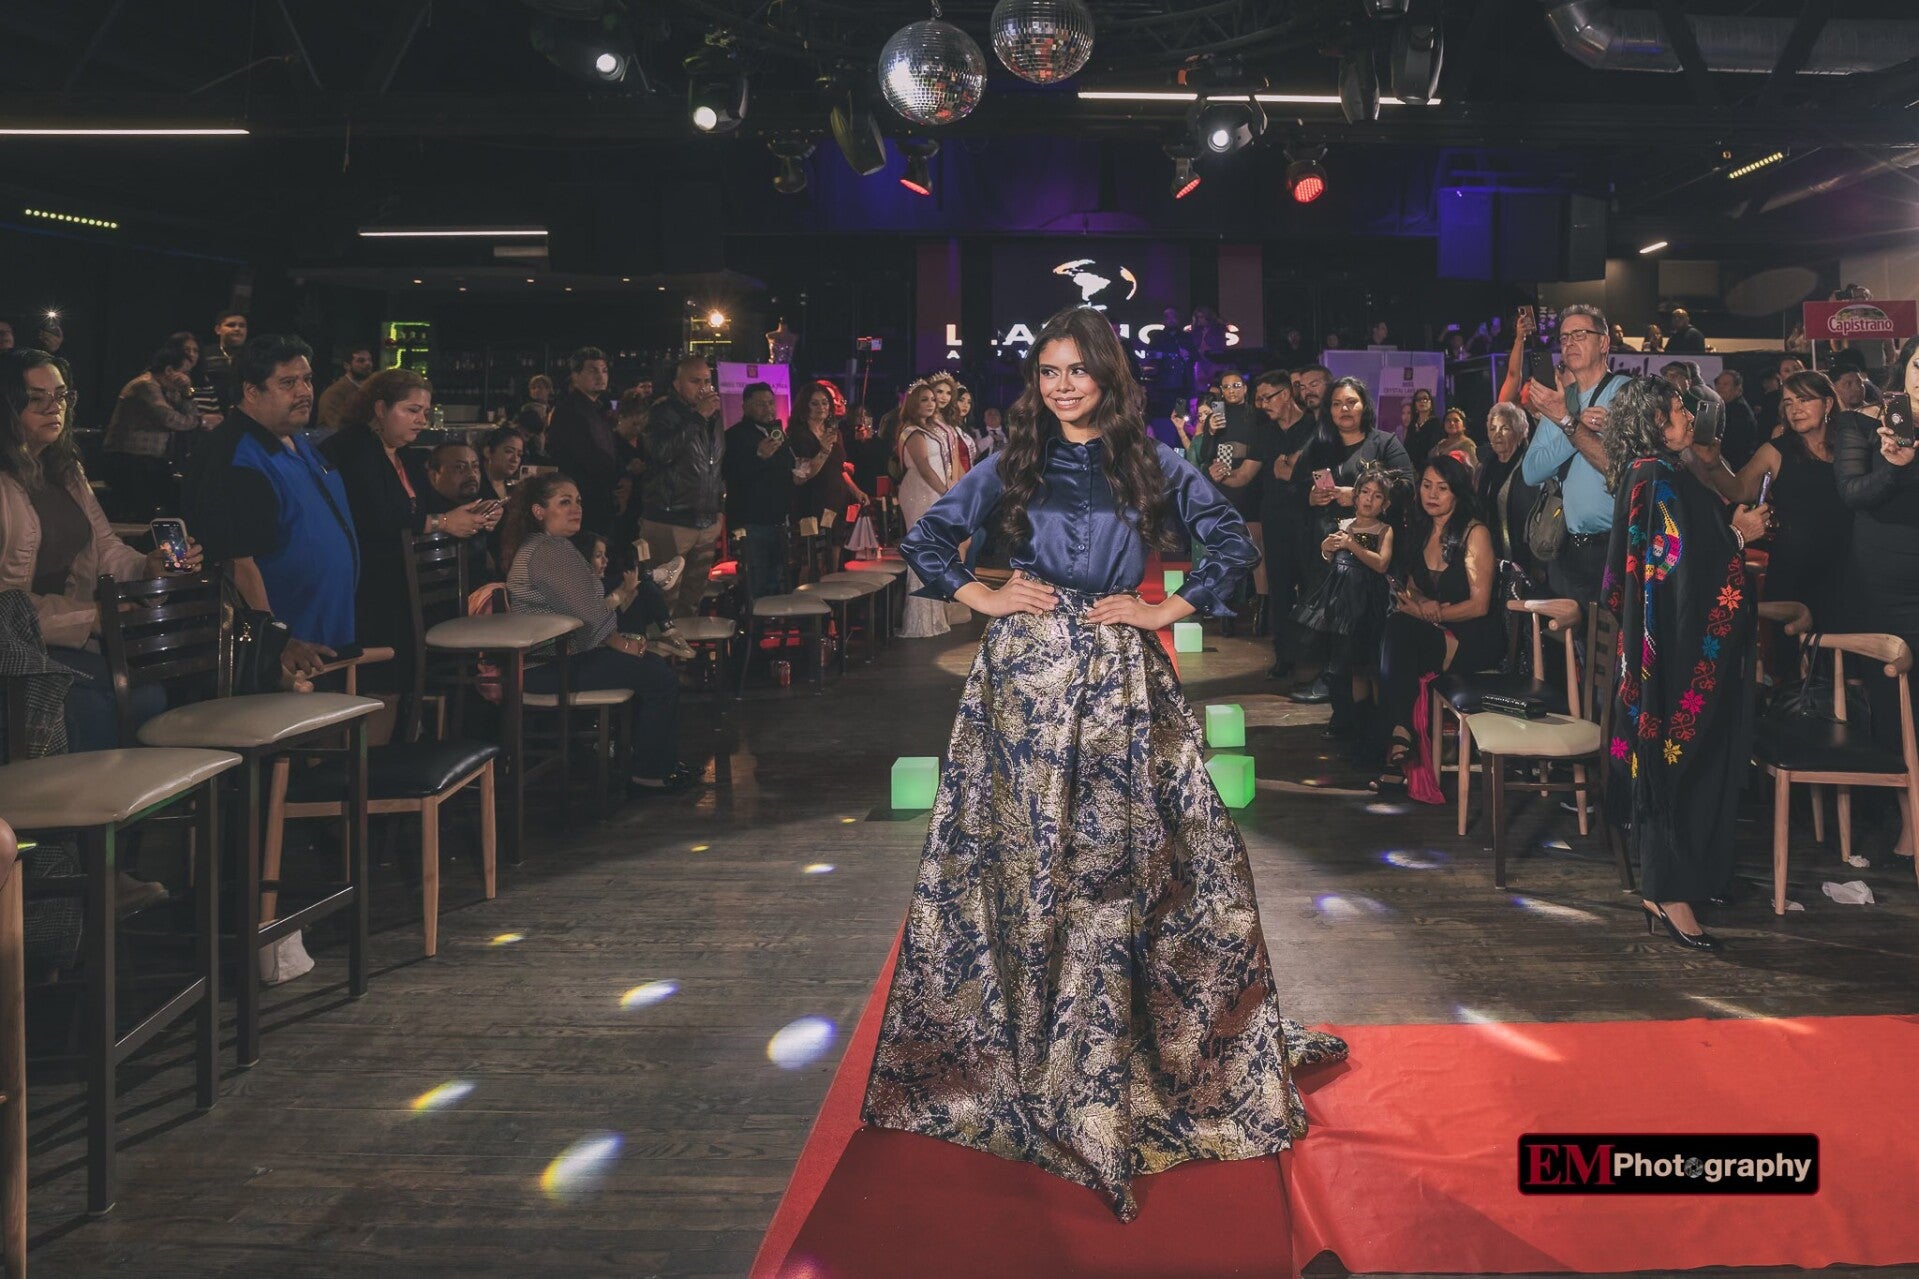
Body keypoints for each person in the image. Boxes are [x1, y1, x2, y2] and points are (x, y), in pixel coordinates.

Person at [862, 305, 1346, 1222]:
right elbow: (925, 539)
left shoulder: (1151, 460)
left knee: (1137, 863)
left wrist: (1163, 610)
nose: (1061, 385)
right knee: (1027, 864)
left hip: (1120, 679)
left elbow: (1230, 541)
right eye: (1047, 371)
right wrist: (983, 594)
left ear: (1107, 376)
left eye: (1076, 369)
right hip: (1025, 683)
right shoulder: (1014, 459)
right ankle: (1031, 1043)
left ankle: (1117, 1045)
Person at [1601, 377, 1765, 949]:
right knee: (1679, 761)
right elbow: (1681, 566)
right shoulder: (1655, 475)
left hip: (1671, 642)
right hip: (1672, 649)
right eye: (1676, 409)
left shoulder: (1657, 471)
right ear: (1653, 420)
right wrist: (1739, 535)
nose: (1688, 417)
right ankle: (1667, 891)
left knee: (1698, 760)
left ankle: (1696, 878)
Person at [0, 347, 200, 750]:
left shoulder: (65, 469)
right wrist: (90, 617)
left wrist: (146, 567)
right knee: (94, 706)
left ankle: (128, 791)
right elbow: (7, 606)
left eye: (61, 395)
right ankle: (72, 793)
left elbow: (104, 545)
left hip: (61, 638)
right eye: (36, 398)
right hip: (14, 647)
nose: (53, 407)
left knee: (148, 695)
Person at [500, 473, 690, 792]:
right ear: (538, 511)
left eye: (578, 501)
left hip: (559, 657)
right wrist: (621, 642)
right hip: (546, 667)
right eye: (564, 502)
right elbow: (588, 613)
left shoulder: (550, 546)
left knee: (654, 666)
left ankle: (654, 763)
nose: (576, 508)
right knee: (659, 677)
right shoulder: (548, 551)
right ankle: (650, 772)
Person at [184, 334, 352, 678]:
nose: (304, 391)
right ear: (251, 391)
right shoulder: (237, 456)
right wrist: (277, 641)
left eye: (307, 379)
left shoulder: (297, 441)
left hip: (324, 636)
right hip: (280, 657)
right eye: (288, 383)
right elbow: (235, 562)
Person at [322, 368, 498, 693]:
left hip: (406, 583)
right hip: (365, 586)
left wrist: (476, 515)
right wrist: (443, 523)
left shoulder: (404, 454)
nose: (421, 421)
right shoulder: (355, 447)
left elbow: (427, 508)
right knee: (385, 676)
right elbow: (376, 515)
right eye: (412, 410)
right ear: (380, 408)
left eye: (425, 413)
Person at [1835, 335, 1919, 860]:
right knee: (1895, 708)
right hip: (1883, 585)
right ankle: (1909, 825)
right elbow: (1852, 494)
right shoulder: (1863, 423)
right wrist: (1895, 465)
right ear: (1904, 367)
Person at [1373, 454, 1504, 786]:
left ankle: (1399, 739)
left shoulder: (1475, 532)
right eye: (1427, 486)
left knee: (1400, 633)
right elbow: (1415, 588)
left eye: (1442, 488)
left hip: (1472, 634)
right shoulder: (1420, 529)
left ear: (1457, 492)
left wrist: (1432, 612)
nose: (1431, 495)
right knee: (1394, 627)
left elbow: (1480, 605)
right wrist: (1419, 603)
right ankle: (1400, 737)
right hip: (1431, 630)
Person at [1688, 370, 1846, 633]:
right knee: (1790, 652)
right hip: (1793, 571)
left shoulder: (1849, 447)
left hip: (1844, 570)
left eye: (1804, 400)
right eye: (1788, 402)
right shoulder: (1775, 451)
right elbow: (1740, 490)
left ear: (1828, 403)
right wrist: (1713, 463)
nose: (1795, 409)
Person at [1521, 303, 1628, 607]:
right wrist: (1573, 422)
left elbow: (1616, 468)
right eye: (1564, 337)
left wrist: (1566, 422)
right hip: (1568, 547)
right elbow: (1531, 471)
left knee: (1613, 632)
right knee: (1569, 633)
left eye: (1580, 335)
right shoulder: (1562, 399)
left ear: (1604, 343)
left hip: (1616, 546)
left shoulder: (1625, 392)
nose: (1569, 343)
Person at [1294, 464, 1398, 749]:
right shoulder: (1344, 525)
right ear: (1356, 495)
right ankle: (1348, 718)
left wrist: (1352, 545)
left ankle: (1374, 724)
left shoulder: (1384, 530)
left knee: (1367, 664)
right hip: (1340, 603)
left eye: (1377, 496)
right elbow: (1334, 560)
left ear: (1385, 504)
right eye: (1365, 492)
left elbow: (1381, 564)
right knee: (1341, 664)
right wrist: (1326, 549)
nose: (1369, 499)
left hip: (1368, 604)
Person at [640, 355, 726, 616]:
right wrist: (697, 417)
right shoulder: (663, 412)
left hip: (705, 520)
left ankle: (684, 643)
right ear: (677, 384)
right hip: (671, 519)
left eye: (707, 381)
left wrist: (718, 509)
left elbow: (714, 465)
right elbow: (661, 452)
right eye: (695, 381)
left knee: (692, 598)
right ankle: (658, 643)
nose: (703, 388)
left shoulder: (713, 417)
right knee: (664, 598)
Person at [101, 332, 210, 520]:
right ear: (169, 371)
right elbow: (170, 419)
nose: (186, 379)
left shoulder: (170, 390)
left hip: (151, 461)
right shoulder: (145, 385)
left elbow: (189, 415)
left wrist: (187, 394)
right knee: (154, 507)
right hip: (128, 460)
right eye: (184, 373)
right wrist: (202, 421)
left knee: (184, 501)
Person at [1253, 371, 1316, 679]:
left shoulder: (1314, 427)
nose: (1264, 404)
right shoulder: (1265, 433)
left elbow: (1302, 472)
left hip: (1309, 518)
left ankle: (1314, 654)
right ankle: (1284, 655)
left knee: (1312, 585)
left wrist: (1291, 469)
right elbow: (1254, 472)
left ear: (1287, 394)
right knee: (1279, 586)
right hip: (1275, 518)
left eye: (1268, 397)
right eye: (1259, 400)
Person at [895, 381, 965, 637]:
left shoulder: (934, 429)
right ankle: (919, 620)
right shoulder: (912, 431)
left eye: (932, 400)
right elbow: (924, 467)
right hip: (920, 491)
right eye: (924, 399)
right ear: (913, 403)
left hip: (935, 491)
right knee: (923, 549)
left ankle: (935, 617)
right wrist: (947, 493)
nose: (930, 404)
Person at [1198, 370, 1266, 625]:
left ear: (1245, 388)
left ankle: (1262, 606)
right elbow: (1205, 455)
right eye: (1226, 387)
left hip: (1250, 484)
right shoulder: (1215, 416)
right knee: (1225, 545)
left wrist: (1242, 454)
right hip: (1222, 485)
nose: (1231, 391)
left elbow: (1260, 450)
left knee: (1256, 544)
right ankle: (1223, 604)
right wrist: (1210, 431)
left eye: (1236, 385)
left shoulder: (1257, 415)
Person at [722, 382, 803, 595]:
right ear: (745, 406)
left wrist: (796, 475)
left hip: (779, 519)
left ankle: (774, 615)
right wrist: (758, 457)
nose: (768, 409)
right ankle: (752, 616)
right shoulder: (734, 436)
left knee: (778, 581)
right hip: (751, 522)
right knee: (756, 583)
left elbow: (786, 466)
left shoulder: (778, 434)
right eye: (760, 404)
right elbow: (729, 474)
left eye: (770, 403)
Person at [545, 347, 622, 536]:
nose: (601, 376)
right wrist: (618, 475)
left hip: (599, 496)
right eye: (593, 370)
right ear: (576, 376)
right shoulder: (569, 410)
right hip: (583, 499)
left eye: (604, 371)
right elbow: (585, 456)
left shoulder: (597, 408)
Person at [789, 381, 863, 526]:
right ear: (805, 406)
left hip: (837, 504)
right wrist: (823, 450)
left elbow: (839, 469)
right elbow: (802, 476)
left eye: (825, 403)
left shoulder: (834, 432)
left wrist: (856, 491)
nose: (821, 408)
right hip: (812, 504)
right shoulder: (799, 436)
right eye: (814, 404)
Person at [1477, 402, 1537, 578]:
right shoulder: (1486, 467)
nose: (1497, 434)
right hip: (1493, 556)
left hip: (1527, 559)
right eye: (1493, 429)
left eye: (1505, 428)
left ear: (1519, 432)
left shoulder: (1531, 466)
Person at [194, 309, 248, 415]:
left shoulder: (255, 356)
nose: (237, 329)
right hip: (208, 413)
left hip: (244, 415)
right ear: (218, 329)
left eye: (242, 326)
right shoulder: (203, 354)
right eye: (231, 325)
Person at [315, 345, 374, 437]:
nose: (367, 364)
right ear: (347, 366)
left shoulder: (372, 389)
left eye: (369, 360)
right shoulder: (335, 393)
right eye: (361, 361)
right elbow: (333, 426)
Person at [1712, 367, 1761, 471]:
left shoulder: (1739, 411)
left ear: (1737, 388)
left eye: (1725, 384)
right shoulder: (1727, 407)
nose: (1720, 388)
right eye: (1718, 384)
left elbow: (1733, 445)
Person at [479, 424, 524, 504]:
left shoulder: (514, 489)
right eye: (509, 451)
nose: (515, 459)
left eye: (519, 455)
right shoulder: (474, 487)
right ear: (488, 452)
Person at [1405, 388, 1443, 467]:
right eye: (1418, 399)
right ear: (1415, 404)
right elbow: (1407, 446)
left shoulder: (1436, 423)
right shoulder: (1412, 424)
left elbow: (1434, 446)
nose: (1422, 401)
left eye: (1425, 398)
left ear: (1431, 403)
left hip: (1430, 465)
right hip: (1411, 467)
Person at [515, 374, 555, 448]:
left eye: (540, 387)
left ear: (548, 390)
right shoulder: (526, 408)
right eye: (533, 388)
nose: (536, 390)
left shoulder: (553, 408)